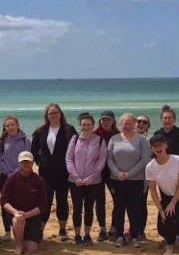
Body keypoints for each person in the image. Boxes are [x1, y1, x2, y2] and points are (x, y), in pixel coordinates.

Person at [31, 103, 78, 241]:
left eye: (56, 112)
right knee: (45, 201)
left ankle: (62, 230)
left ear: (60, 113)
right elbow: (33, 150)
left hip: (64, 172)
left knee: (62, 201)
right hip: (45, 173)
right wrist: (40, 162)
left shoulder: (69, 129)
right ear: (47, 116)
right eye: (50, 113)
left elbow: (76, 149)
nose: (53, 115)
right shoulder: (40, 131)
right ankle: (40, 230)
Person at [107, 113, 150, 248]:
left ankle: (135, 237)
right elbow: (109, 159)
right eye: (125, 124)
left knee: (134, 208)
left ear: (134, 125)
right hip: (116, 179)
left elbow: (145, 159)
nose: (127, 126)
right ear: (121, 125)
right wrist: (117, 173)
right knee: (119, 207)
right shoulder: (114, 139)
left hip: (136, 179)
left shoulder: (142, 140)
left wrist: (130, 174)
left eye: (130, 123)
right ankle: (119, 236)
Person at [146, 135, 179, 255]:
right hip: (166, 195)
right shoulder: (150, 167)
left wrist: (173, 203)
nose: (158, 147)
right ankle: (173, 238)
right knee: (162, 227)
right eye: (154, 145)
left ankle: (170, 246)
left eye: (160, 144)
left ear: (166, 145)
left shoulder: (177, 160)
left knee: (171, 214)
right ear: (151, 148)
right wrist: (160, 209)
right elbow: (153, 191)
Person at [66, 113, 107, 246]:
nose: (86, 127)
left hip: (93, 182)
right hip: (75, 181)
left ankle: (87, 235)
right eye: (83, 124)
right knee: (77, 208)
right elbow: (68, 158)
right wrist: (76, 177)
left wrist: (89, 179)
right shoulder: (75, 138)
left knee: (89, 208)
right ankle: (77, 235)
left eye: (89, 124)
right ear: (80, 125)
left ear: (93, 125)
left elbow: (101, 162)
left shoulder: (100, 140)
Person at [1, 151, 48, 255]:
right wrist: (15, 213)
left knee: (31, 248)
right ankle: (19, 245)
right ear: (19, 163)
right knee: (18, 220)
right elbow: (4, 201)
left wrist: (27, 215)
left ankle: (30, 235)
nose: (26, 165)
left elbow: (43, 205)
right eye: (23, 162)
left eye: (29, 162)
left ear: (33, 163)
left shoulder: (39, 181)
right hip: (16, 215)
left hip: (32, 216)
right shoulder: (11, 179)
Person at [0, 116, 32, 241]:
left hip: (22, 176)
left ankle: (23, 229)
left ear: (17, 125)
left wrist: (16, 172)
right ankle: (7, 231)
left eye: (12, 125)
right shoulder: (1, 141)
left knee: (21, 202)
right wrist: (8, 173)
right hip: (5, 176)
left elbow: (27, 159)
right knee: (6, 203)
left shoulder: (25, 141)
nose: (10, 127)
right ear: (5, 127)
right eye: (7, 125)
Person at [93, 110, 120, 241]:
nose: (105, 122)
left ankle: (114, 228)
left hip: (113, 173)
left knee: (118, 200)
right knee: (99, 202)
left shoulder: (118, 135)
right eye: (103, 119)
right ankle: (102, 229)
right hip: (98, 173)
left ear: (113, 121)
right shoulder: (94, 135)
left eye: (108, 119)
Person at [135, 114, 152, 241]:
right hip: (128, 176)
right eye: (138, 121)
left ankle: (140, 230)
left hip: (144, 177)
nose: (141, 124)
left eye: (144, 122)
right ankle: (132, 228)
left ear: (147, 126)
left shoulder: (150, 140)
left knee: (141, 204)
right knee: (129, 204)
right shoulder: (129, 138)